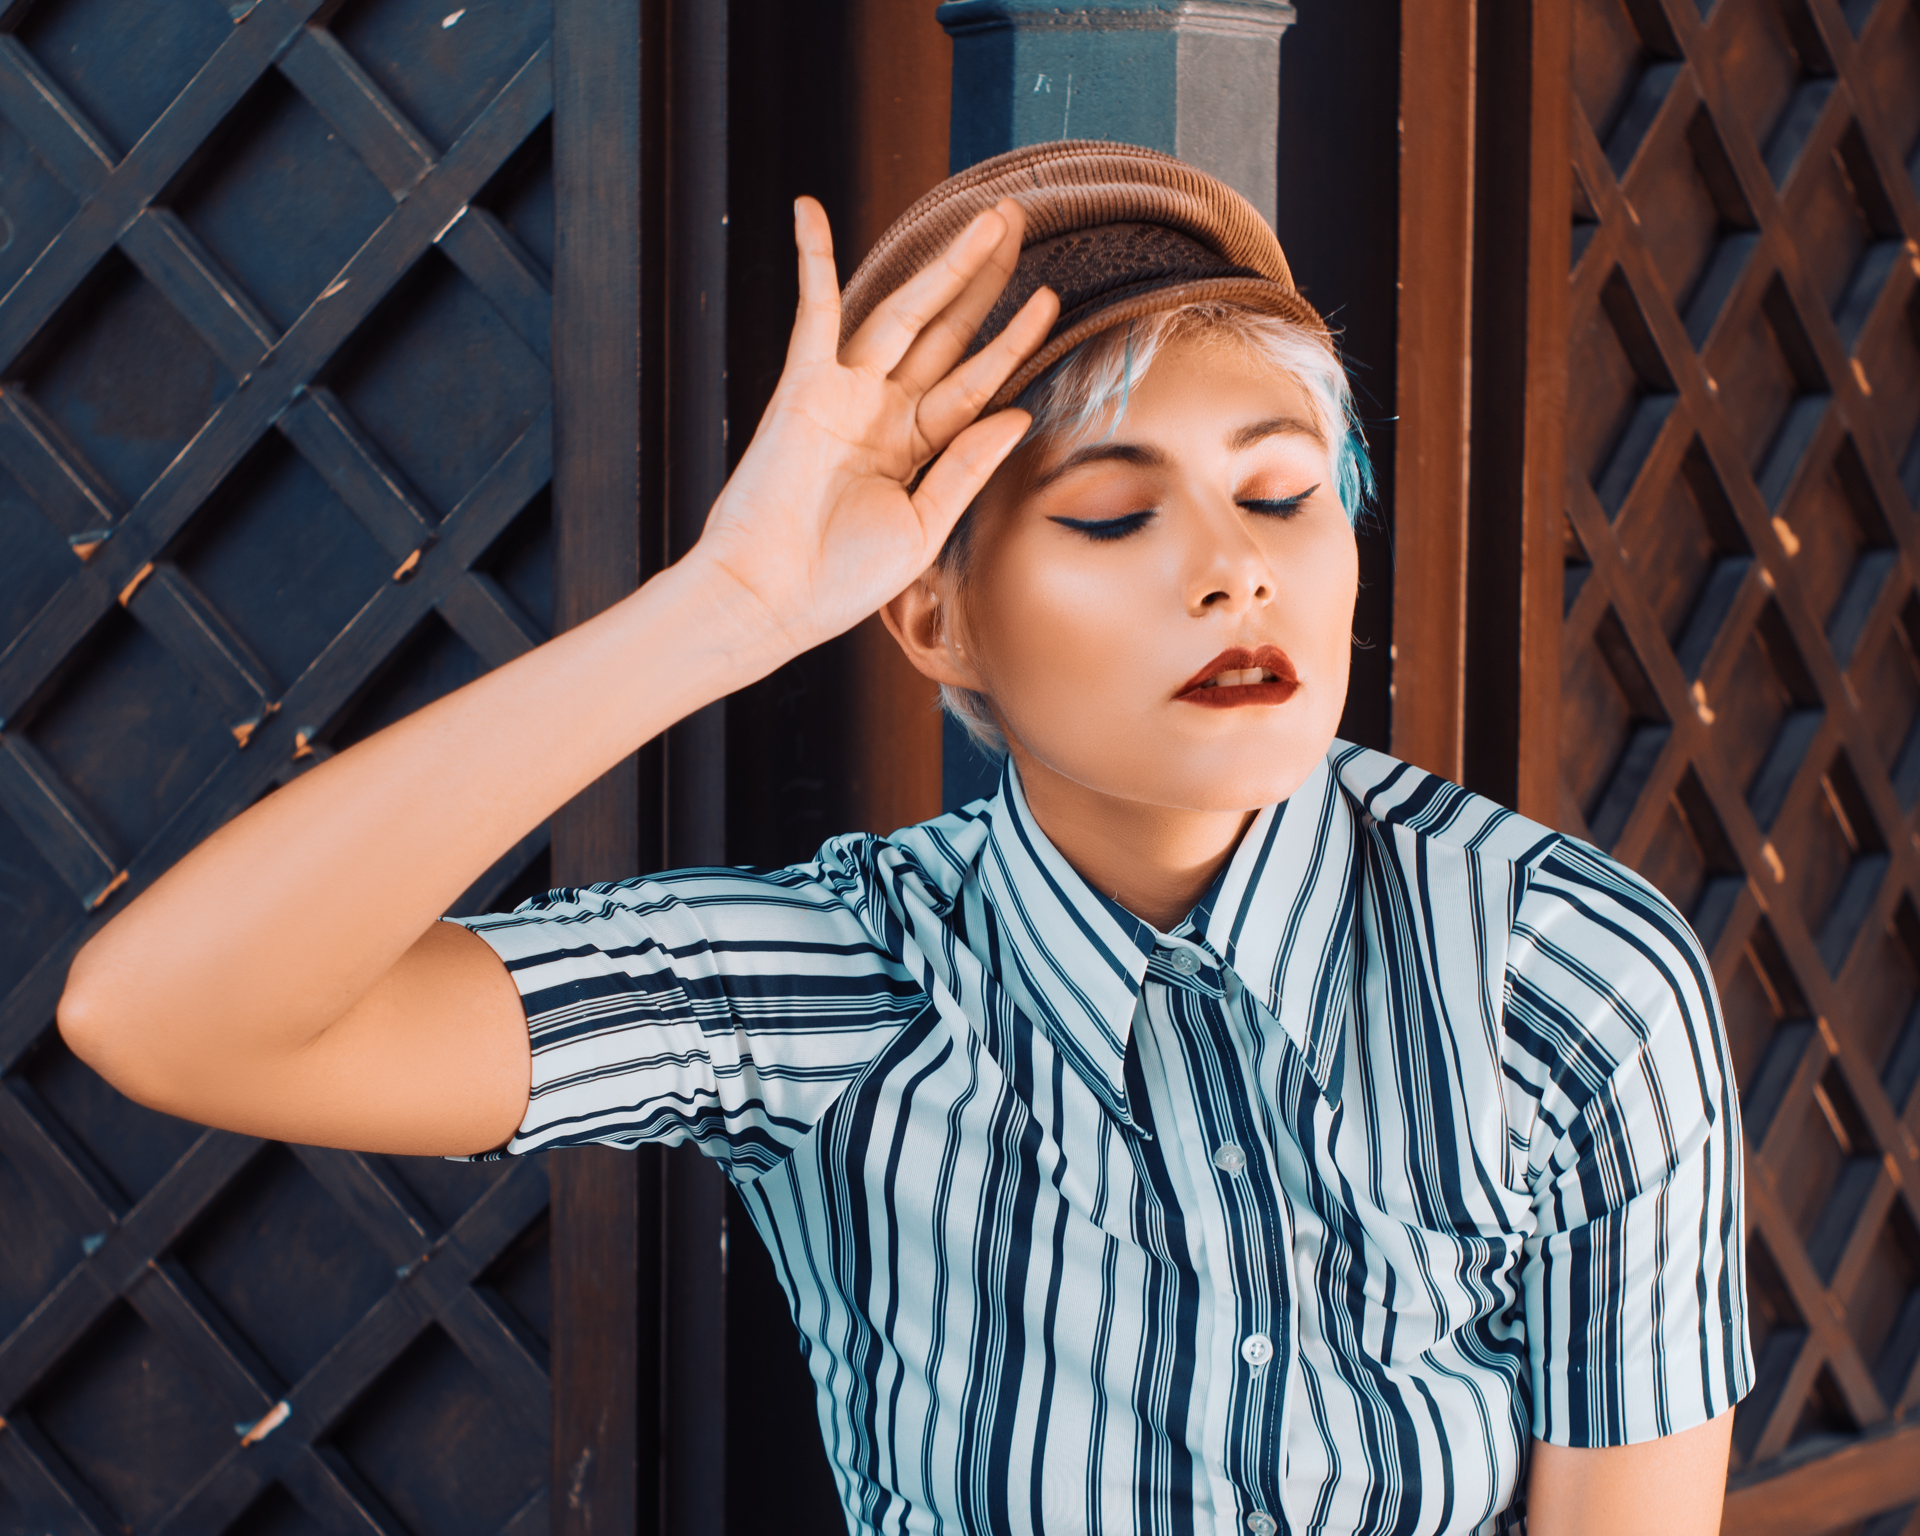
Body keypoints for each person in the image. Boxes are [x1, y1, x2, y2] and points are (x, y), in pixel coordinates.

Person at [58, 144, 1750, 1535]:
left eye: (1284, 488)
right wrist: (721, 613)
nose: (1236, 567)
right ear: (932, 618)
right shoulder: (830, 982)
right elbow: (166, 1018)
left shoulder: (1567, 974)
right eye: (1108, 511)